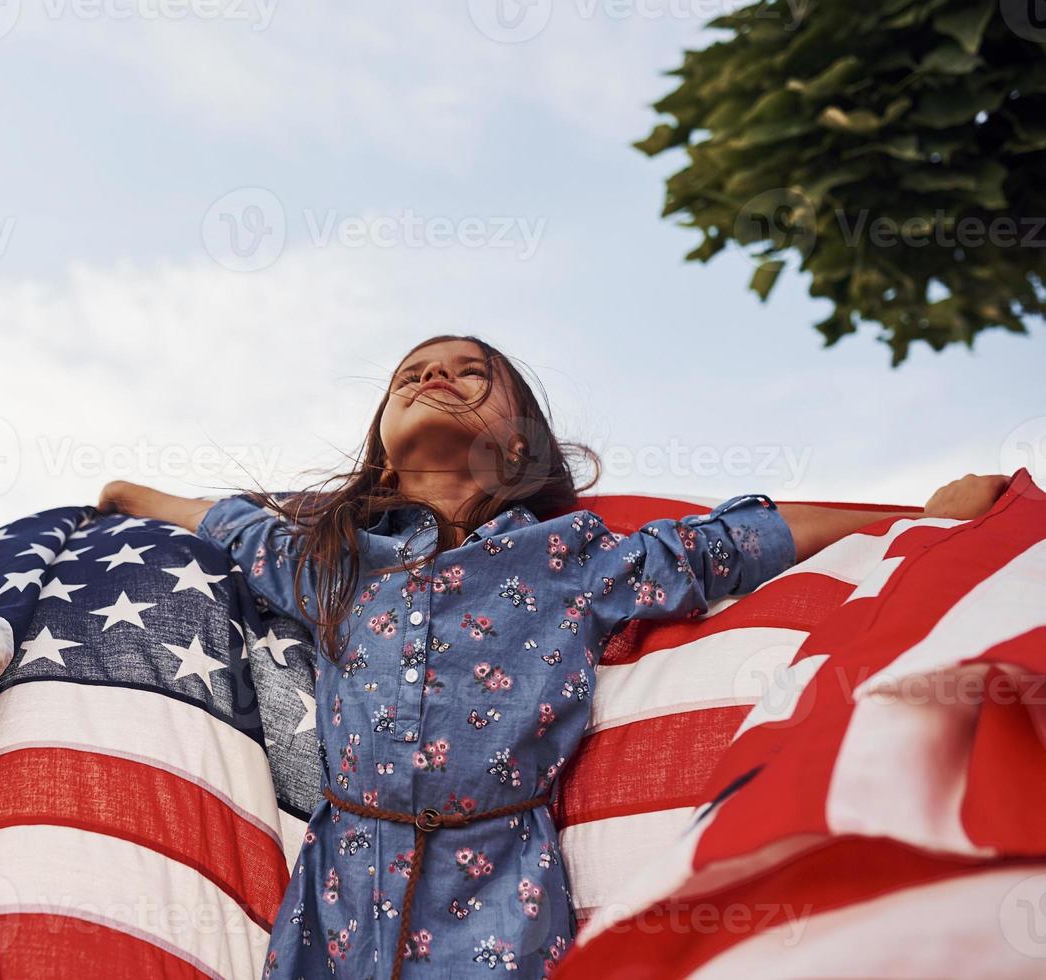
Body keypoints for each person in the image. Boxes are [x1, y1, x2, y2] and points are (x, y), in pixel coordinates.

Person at [98, 334, 1009, 979]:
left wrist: (917, 520)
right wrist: (128, 495)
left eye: (469, 372)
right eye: (412, 373)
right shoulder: (333, 562)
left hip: (497, 884)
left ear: (520, 440)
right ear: (380, 451)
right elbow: (233, 525)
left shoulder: (575, 557)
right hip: (339, 888)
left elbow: (734, 543)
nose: (436, 378)